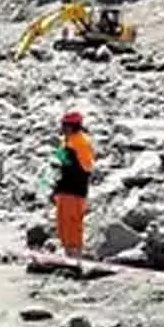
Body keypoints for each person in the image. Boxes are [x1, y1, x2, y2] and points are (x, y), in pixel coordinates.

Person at [53, 110, 94, 257]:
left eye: (66, 125)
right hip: (65, 189)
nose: (63, 128)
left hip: (75, 190)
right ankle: (68, 253)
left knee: (72, 224)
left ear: (73, 126)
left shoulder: (81, 142)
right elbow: (60, 163)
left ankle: (75, 254)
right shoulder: (68, 141)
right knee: (63, 223)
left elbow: (85, 167)